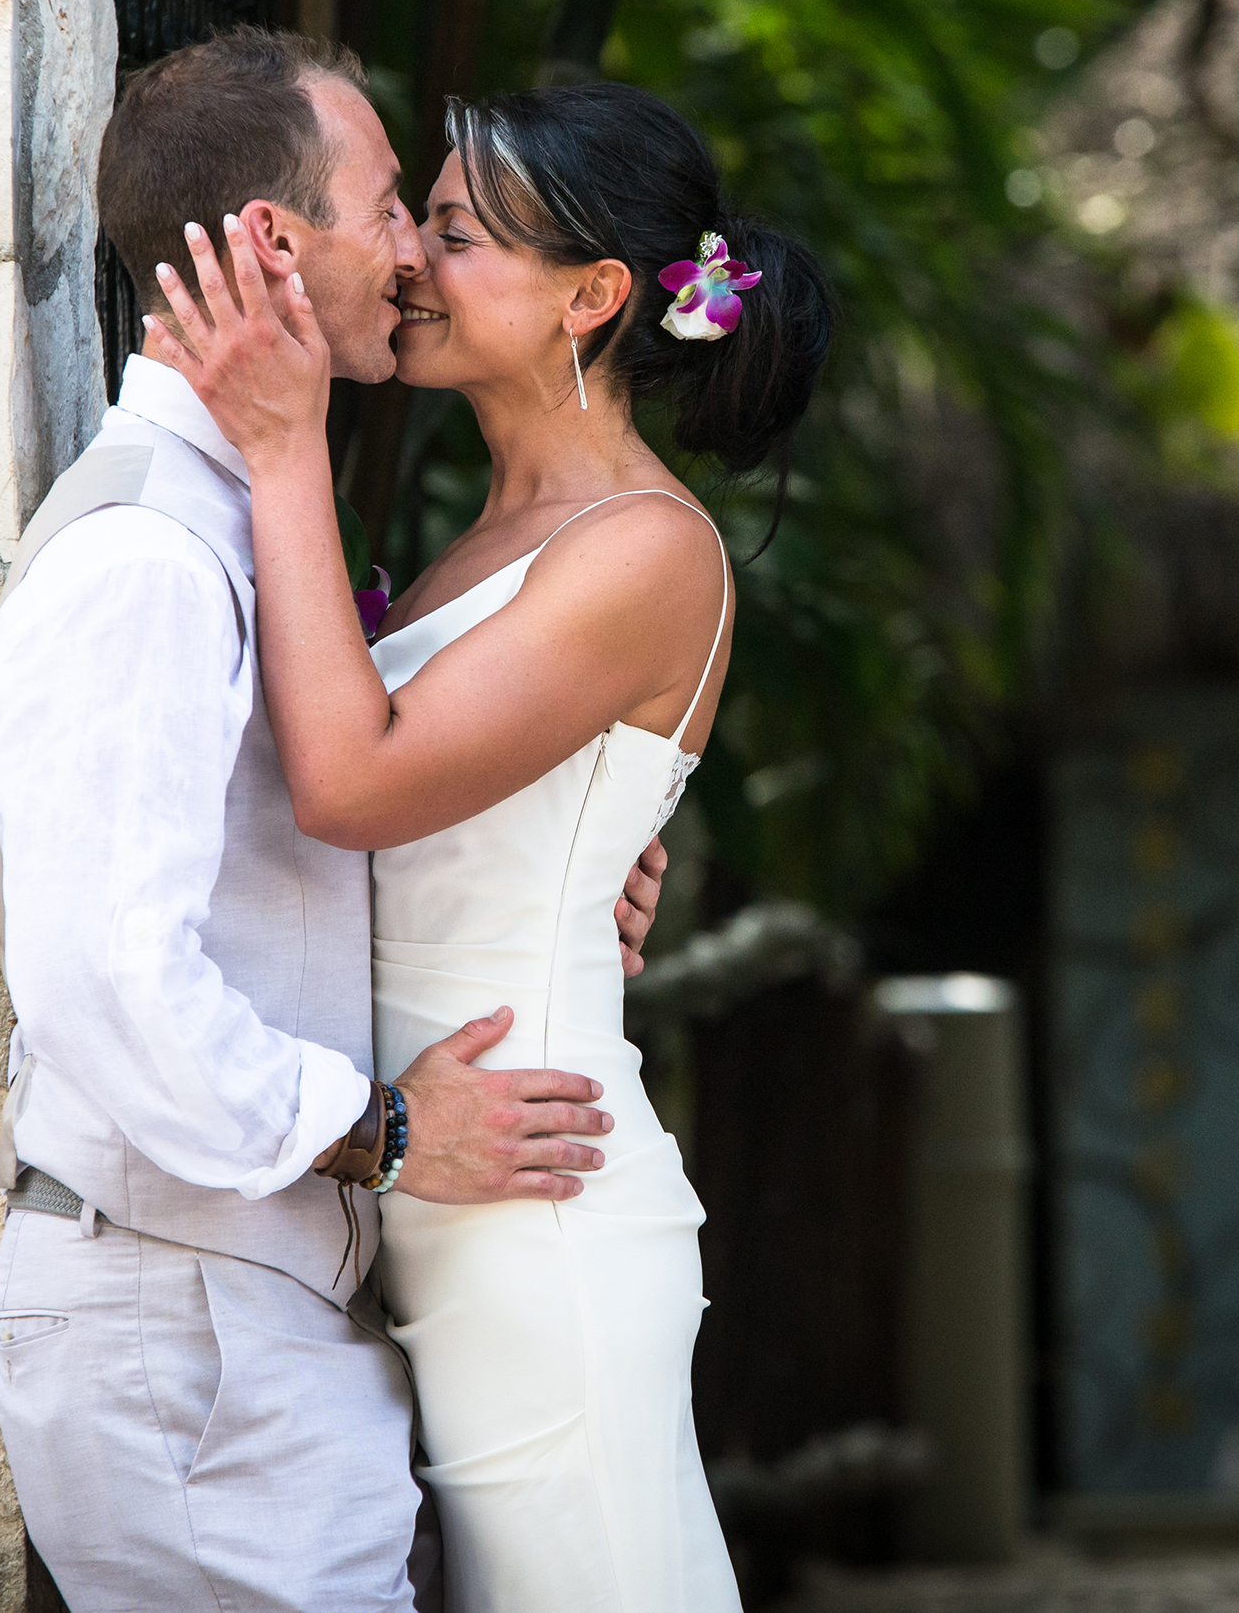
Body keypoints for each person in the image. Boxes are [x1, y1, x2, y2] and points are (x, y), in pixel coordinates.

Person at [0, 28, 673, 1611]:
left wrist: (567, 861)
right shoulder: (149, 554)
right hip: (186, 1323)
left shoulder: (243, 525)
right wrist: (397, 1133)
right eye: (388, 207)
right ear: (275, 247)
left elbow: (338, 816)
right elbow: (106, 985)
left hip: (248, 1315)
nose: (416, 249)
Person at [148, 78, 835, 1612]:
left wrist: (278, 448)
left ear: (593, 296)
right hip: (443, 1190)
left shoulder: (644, 549)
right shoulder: (493, 532)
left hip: (540, 1209)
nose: (409, 261)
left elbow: (348, 782)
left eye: (452, 233)